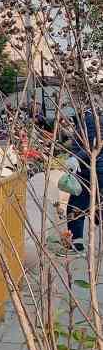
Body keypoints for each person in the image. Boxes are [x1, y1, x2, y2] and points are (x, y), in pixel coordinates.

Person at [67, 108, 103, 253]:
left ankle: (76, 243)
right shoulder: (92, 117)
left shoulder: (90, 119)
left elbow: (93, 145)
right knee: (95, 203)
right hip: (95, 169)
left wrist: (76, 157)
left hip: (91, 170)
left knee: (75, 208)